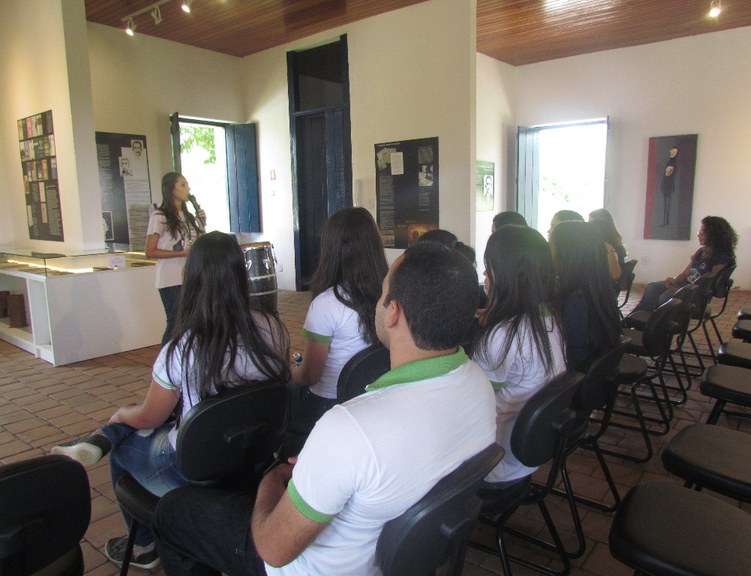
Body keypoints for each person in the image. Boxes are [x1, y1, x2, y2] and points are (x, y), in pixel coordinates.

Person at [152, 241, 497, 576]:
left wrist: (272, 479)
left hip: (305, 566)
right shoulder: (478, 384)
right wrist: (325, 466)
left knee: (173, 511)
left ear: (393, 312)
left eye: (382, 294)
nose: (377, 304)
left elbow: (273, 548)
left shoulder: (351, 428)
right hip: (394, 557)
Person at [51, 231, 291, 569]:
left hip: (193, 468)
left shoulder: (183, 348)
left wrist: (123, 414)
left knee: (124, 448)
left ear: (192, 279)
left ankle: (144, 546)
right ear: (241, 274)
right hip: (254, 456)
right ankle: (104, 438)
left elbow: (150, 417)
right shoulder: (273, 329)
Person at [471, 225, 566, 486]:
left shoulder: (502, 336)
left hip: (496, 464)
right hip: (531, 453)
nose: (484, 274)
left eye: (489, 266)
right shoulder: (550, 319)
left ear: (505, 274)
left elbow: (471, 402)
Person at [288, 207, 388, 438]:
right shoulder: (389, 294)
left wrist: (288, 370)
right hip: (371, 399)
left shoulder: (327, 304)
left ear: (330, 249)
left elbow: (309, 376)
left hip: (329, 406)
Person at [549, 221, 623, 372]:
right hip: (595, 377)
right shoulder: (597, 289)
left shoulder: (574, 302)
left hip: (575, 378)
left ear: (566, 255)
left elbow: (572, 357)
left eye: (550, 246)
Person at [632, 215, 738, 313]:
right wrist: (674, 280)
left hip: (695, 296)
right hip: (685, 287)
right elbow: (685, 274)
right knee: (652, 287)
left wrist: (678, 290)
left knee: (664, 297)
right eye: (699, 232)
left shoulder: (721, 258)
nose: (698, 235)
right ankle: (640, 317)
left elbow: (707, 287)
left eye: (702, 232)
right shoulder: (702, 251)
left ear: (714, 235)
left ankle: (658, 324)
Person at [146, 172, 205, 344]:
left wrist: (202, 222)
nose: (188, 189)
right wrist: (180, 253)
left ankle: (183, 356)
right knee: (175, 322)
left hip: (189, 276)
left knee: (190, 322)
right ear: (171, 189)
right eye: (183, 185)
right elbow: (150, 251)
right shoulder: (159, 216)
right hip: (170, 278)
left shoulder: (188, 216)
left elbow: (198, 242)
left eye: (187, 184)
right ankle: (166, 358)